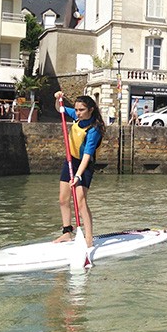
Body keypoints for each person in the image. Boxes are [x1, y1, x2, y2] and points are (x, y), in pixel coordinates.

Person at [53, 92, 105, 248]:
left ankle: (89, 237)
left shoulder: (94, 129)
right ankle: (67, 232)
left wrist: (77, 176)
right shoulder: (77, 117)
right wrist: (58, 99)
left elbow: (87, 156)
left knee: (81, 201)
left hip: (85, 165)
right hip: (70, 161)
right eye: (76, 109)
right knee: (63, 199)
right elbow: (60, 109)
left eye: (81, 110)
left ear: (90, 109)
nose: (77, 112)